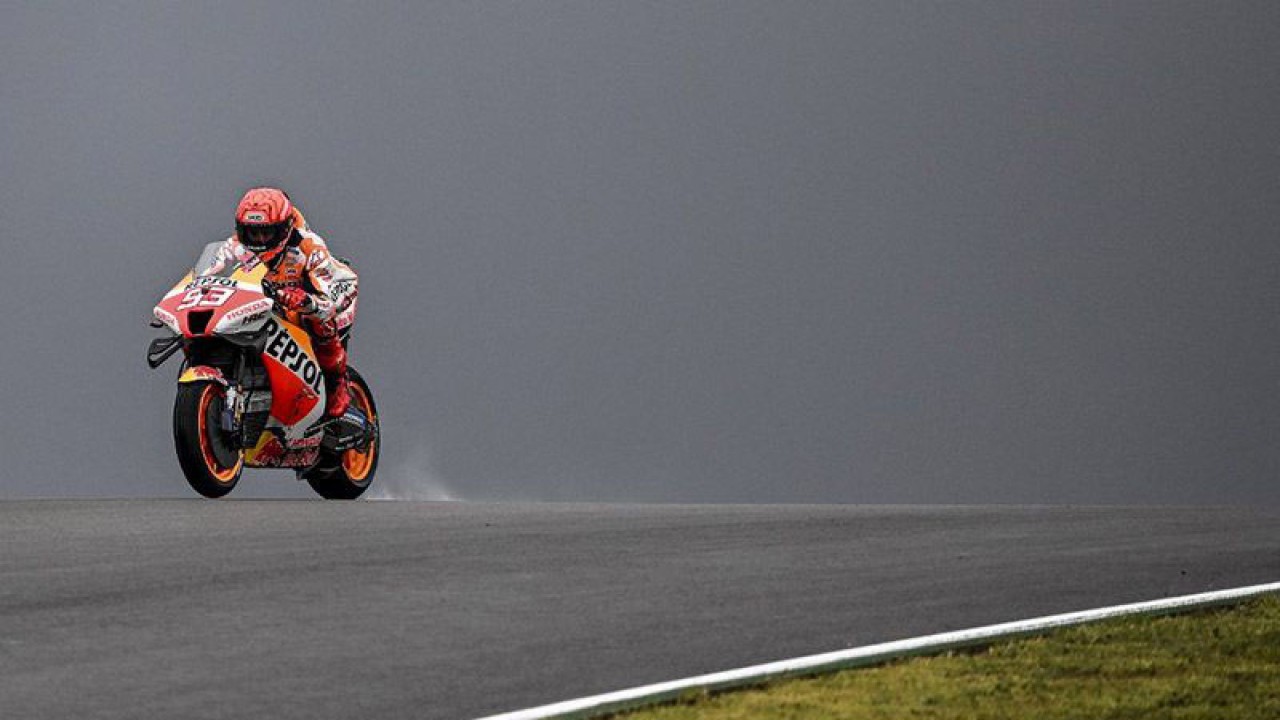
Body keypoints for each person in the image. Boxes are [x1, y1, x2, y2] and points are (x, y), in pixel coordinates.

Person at [221, 187, 359, 420]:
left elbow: (339, 289)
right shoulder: (233, 248)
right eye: (252, 233)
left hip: (312, 307)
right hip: (261, 310)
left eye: (267, 233)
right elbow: (208, 275)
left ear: (284, 228)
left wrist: (308, 302)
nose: (260, 240)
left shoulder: (308, 246)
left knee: (318, 321)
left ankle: (336, 385)